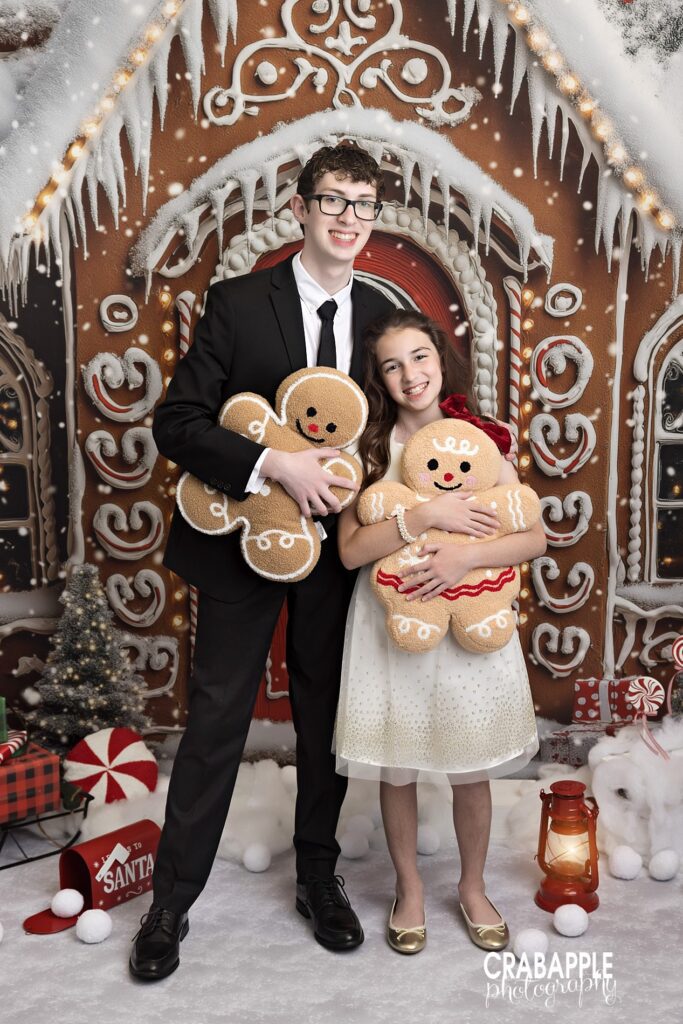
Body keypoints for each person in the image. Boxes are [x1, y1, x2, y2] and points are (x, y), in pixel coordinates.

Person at [129, 145, 395, 980]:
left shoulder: (381, 312)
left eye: (363, 203)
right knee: (216, 719)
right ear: (299, 208)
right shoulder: (239, 302)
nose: (348, 217)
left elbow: (401, 423)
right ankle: (171, 900)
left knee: (324, 717)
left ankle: (318, 877)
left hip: (337, 552)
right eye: (333, 200)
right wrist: (273, 464)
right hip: (239, 542)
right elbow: (177, 421)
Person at [334, 309, 546, 955]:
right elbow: (349, 550)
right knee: (396, 766)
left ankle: (473, 887)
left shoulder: (480, 438)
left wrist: (463, 558)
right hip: (392, 621)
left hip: (470, 617)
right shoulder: (368, 447)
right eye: (392, 365)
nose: (410, 375)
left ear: (440, 358)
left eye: (419, 357)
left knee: (470, 766)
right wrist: (424, 515)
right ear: (378, 378)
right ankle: (410, 890)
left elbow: (532, 536)